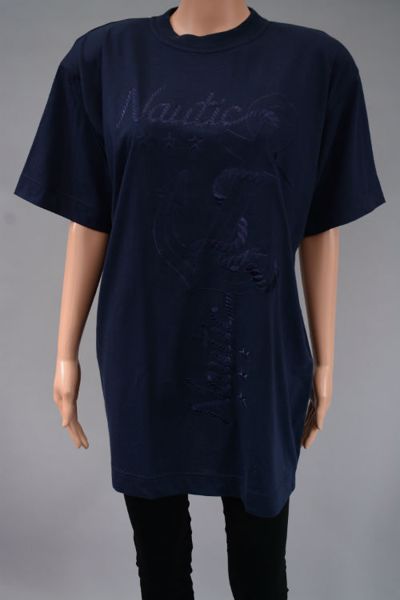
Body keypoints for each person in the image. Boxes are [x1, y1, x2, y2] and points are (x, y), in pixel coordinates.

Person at [13, 1, 386, 597]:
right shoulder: (105, 58)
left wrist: (322, 360)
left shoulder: (315, 64)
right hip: (144, 346)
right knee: (160, 569)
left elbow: (321, 226)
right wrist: (66, 353)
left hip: (257, 351)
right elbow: (90, 216)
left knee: (261, 571)